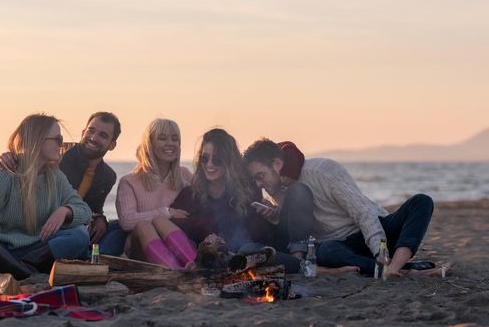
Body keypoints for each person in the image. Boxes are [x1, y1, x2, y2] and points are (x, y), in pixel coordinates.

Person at [242, 138, 434, 277]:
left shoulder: (323, 171)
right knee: (326, 251)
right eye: (255, 179)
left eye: (260, 175)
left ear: (276, 164)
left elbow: (363, 213)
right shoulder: (277, 188)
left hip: (375, 232)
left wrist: (381, 253)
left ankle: (395, 264)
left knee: (421, 202)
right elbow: (297, 224)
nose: (258, 184)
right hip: (340, 247)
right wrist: (274, 216)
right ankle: (401, 270)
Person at [0, 114, 92, 280]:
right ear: (38, 140)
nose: (61, 144)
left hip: (33, 252)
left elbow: (85, 211)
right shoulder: (4, 173)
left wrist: (65, 210)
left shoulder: (55, 177)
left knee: (80, 234)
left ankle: (19, 270)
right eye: (57, 139)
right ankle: (27, 273)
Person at [0, 112, 126, 256]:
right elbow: (27, 156)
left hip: (75, 221)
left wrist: (100, 218)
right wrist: (7, 157)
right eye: (91, 130)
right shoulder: (58, 153)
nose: (93, 138)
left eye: (103, 135)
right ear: (83, 132)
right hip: (48, 225)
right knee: (79, 234)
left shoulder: (108, 176)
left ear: (112, 145)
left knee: (121, 227)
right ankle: (85, 254)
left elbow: (93, 208)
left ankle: (95, 256)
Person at [170, 129, 274, 257]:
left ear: (229, 162)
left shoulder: (248, 190)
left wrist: (270, 216)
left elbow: (256, 233)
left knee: (247, 248)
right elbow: (171, 222)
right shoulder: (191, 194)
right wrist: (204, 231)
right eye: (205, 158)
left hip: (248, 257)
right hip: (210, 263)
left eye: (217, 160)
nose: (209, 165)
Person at [116, 118, 194, 269]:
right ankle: (175, 272)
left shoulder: (184, 175)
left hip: (177, 245)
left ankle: (193, 265)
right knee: (145, 224)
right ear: (150, 144)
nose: (170, 143)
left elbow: (206, 198)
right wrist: (167, 212)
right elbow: (126, 221)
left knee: (161, 221)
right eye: (162, 138)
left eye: (175, 139)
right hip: (141, 250)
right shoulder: (129, 182)